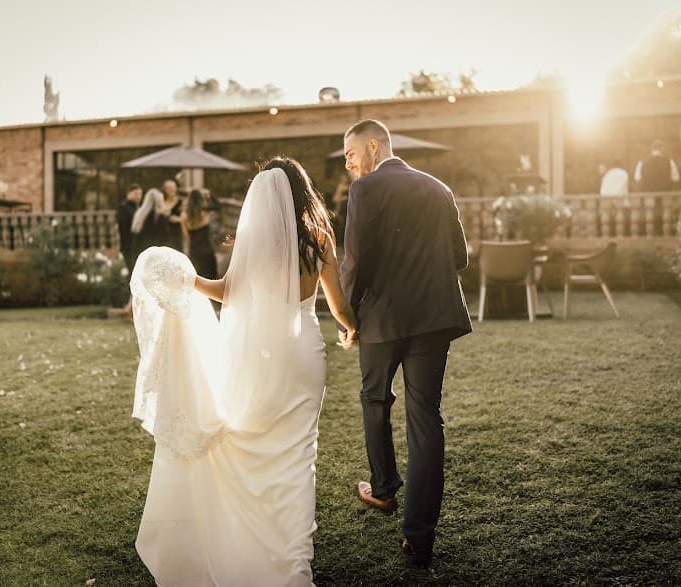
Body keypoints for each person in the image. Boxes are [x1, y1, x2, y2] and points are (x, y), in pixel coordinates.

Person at [131, 157, 358, 585]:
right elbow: (339, 304)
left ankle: (252, 538)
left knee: (251, 437)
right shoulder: (320, 237)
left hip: (260, 358)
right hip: (304, 355)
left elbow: (228, 293)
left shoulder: (256, 239)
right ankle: (294, 563)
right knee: (299, 454)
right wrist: (351, 327)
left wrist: (187, 279)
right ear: (301, 190)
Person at [339, 119, 472, 566]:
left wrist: (348, 318)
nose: (348, 165)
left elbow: (354, 262)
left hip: (380, 319)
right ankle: (419, 538)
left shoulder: (365, 191)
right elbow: (461, 257)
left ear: (373, 147)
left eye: (350, 155)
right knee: (425, 418)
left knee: (375, 399)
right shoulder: (439, 188)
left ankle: (382, 490)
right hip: (434, 320)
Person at [110, 183, 142, 316]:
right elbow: (122, 228)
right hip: (129, 246)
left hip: (137, 247)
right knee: (134, 275)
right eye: (136, 194)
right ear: (129, 194)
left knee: (136, 275)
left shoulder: (138, 208)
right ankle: (131, 307)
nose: (138, 196)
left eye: (140, 194)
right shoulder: (124, 209)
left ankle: (132, 306)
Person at [182, 188, 217, 279]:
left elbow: (187, 238)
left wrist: (187, 252)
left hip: (194, 251)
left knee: (197, 281)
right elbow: (217, 206)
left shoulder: (184, 216)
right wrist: (208, 193)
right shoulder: (205, 213)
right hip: (207, 251)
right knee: (211, 279)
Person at [130, 188, 170, 262]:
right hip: (156, 255)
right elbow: (164, 238)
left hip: (141, 253)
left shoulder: (140, 215)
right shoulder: (160, 217)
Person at [161, 178, 185, 251]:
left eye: (173, 187)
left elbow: (188, 218)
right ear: (165, 190)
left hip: (177, 235)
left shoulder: (182, 202)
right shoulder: (161, 202)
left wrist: (179, 219)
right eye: (168, 188)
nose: (171, 190)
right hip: (163, 235)